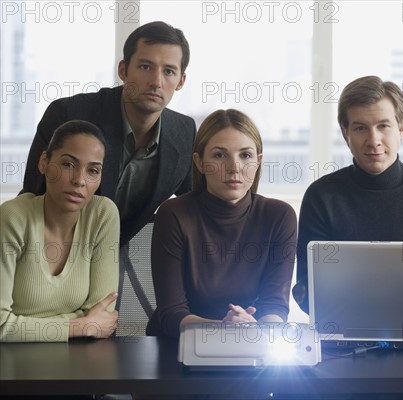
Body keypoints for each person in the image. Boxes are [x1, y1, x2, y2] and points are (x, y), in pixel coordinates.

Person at [293, 75, 403, 323]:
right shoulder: (322, 197)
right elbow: (306, 289)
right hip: (342, 341)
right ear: (345, 133)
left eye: (383, 126)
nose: (373, 140)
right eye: (361, 128)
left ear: (402, 128)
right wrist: (369, 319)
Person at [20, 21, 196, 247]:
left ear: (181, 81)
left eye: (169, 71)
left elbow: (199, 205)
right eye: (145, 67)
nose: (156, 82)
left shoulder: (183, 132)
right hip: (45, 250)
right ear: (123, 70)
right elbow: (31, 196)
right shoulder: (68, 115)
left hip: (112, 259)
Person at [146, 109, 297, 339]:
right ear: (199, 162)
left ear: (258, 161)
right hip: (178, 346)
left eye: (245, 155)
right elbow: (172, 314)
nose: (234, 167)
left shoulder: (279, 216)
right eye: (219, 155)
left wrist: (256, 331)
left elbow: (274, 305)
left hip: (251, 344)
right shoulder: (174, 214)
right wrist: (227, 330)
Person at [1, 120, 120, 342]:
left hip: (79, 360)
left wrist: (22, 325)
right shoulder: (13, 217)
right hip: (11, 364)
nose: (79, 180)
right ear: (44, 162)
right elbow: (0, 325)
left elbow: (103, 314)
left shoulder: (103, 215)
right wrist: (82, 325)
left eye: (93, 170)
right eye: (68, 164)